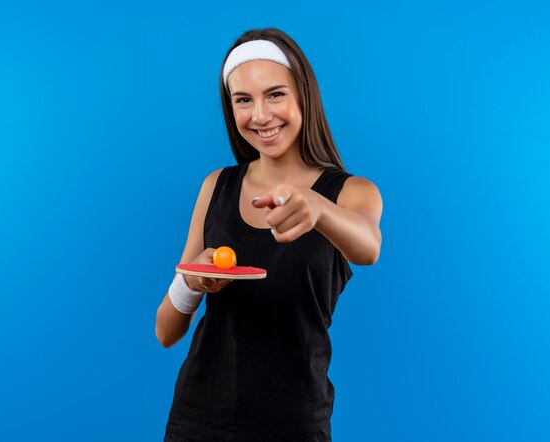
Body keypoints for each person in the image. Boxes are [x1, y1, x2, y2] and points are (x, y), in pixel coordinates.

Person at [156, 28, 383, 442]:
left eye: (275, 94)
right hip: (197, 419)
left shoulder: (352, 192)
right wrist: (191, 283)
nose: (260, 115)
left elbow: (368, 247)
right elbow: (166, 331)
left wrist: (318, 209)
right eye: (243, 99)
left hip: (295, 421)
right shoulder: (217, 186)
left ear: (303, 95)